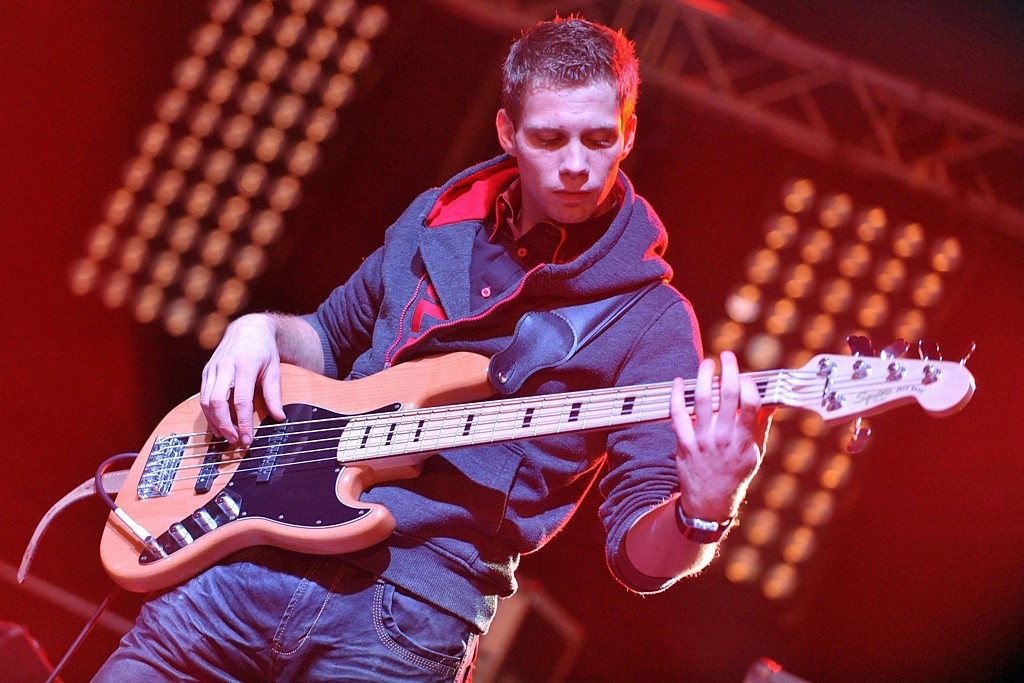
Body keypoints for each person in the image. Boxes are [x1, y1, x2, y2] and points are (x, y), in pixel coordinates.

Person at [96, 16, 767, 682]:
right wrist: (259, 330)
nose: (574, 165)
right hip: (248, 561)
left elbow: (638, 561)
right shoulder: (436, 217)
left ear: (629, 132)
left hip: (407, 619)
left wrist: (702, 511)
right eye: (548, 138)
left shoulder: (651, 320)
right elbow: (328, 338)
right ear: (507, 132)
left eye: (598, 139)